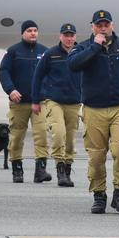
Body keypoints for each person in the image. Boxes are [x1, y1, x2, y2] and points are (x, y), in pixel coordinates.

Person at [68, 10, 119, 214]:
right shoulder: (84, 47)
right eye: (99, 24)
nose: (103, 27)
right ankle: (99, 194)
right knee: (96, 157)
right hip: (94, 109)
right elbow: (73, 65)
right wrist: (95, 46)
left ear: (112, 25)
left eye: (106, 24)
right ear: (92, 26)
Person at [31, 23, 81, 187]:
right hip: (54, 100)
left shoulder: (81, 52)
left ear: (75, 37)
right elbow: (38, 76)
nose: (69, 38)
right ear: (60, 36)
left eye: (71, 35)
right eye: (66, 35)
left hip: (74, 102)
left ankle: (67, 169)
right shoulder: (51, 54)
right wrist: (35, 100)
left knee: (71, 139)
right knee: (59, 134)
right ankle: (60, 169)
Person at [0, 20, 49, 184]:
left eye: (35, 30)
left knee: (41, 134)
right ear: (22, 33)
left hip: (39, 103)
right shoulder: (13, 51)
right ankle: (17, 169)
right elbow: (4, 72)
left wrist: (47, 93)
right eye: (29, 30)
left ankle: (40, 170)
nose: (33, 33)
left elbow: (51, 75)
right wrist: (10, 89)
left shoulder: (44, 52)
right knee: (17, 136)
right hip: (19, 103)